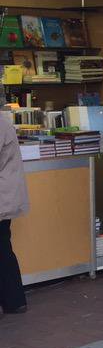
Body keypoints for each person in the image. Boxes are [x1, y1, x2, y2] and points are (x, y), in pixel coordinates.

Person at [0, 115, 28, 315]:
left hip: (2, 194)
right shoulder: (3, 121)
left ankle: (13, 300)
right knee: (3, 247)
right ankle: (14, 300)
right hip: (5, 194)